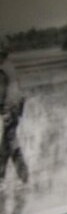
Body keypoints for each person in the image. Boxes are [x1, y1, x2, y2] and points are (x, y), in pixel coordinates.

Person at [0, 46, 29, 187]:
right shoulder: (9, 66)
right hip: (16, 108)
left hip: (9, 109)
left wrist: (4, 110)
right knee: (10, 142)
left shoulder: (2, 69)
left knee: (7, 144)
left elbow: (2, 92)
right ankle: (23, 176)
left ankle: (7, 177)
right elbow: (18, 91)